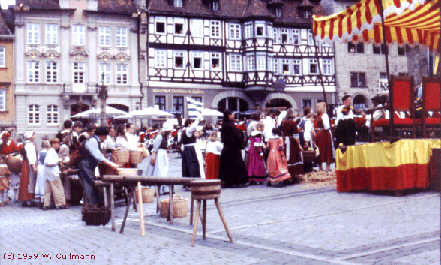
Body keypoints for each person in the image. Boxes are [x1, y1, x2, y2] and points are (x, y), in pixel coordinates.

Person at [78, 127, 118, 206]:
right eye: (106, 136)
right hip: (85, 164)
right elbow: (97, 155)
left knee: (90, 184)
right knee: (89, 184)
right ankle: (92, 206)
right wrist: (111, 164)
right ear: (103, 135)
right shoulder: (93, 141)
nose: (105, 139)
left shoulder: (95, 140)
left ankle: (92, 204)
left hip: (88, 165)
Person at [219, 110, 248, 187]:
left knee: (228, 165)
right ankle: (236, 181)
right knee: (236, 165)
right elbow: (236, 135)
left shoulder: (225, 124)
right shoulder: (229, 125)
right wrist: (241, 143)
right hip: (233, 148)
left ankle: (228, 181)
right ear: (228, 115)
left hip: (228, 148)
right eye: (232, 114)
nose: (233, 116)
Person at [145, 122, 173, 194]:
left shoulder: (165, 136)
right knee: (159, 170)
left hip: (163, 153)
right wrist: (153, 157)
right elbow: (155, 147)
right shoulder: (160, 136)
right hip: (160, 154)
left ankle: (164, 187)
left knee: (164, 170)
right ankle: (157, 189)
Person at [43, 138, 67, 210]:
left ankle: (46, 204)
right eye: (57, 144)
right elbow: (48, 163)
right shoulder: (51, 152)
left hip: (48, 173)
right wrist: (58, 161)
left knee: (47, 190)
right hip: (53, 173)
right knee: (58, 188)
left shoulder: (50, 151)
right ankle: (60, 204)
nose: (58, 145)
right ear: (53, 144)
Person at [20, 131, 37, 207]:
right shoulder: (30, 145)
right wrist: (33, 166)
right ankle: (28, 199)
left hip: (26, 164)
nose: (34, 136)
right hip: (29, 165)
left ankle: (25, 199)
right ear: (30, 137)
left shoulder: (26, 144)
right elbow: (31, 156)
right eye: (33, 135)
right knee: (29, 181)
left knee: (25, 181)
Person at [315, 102, 333, 171]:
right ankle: (328, 167)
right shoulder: (325, 115)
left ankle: (320, 166)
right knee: (327, 149)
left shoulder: (318, 115)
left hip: (318, 133)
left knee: (320, 149)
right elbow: (326, 126)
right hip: (325, 133)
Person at [35, 139, 49, 208]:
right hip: (44, 168)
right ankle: (43, 200)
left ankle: (41, 198)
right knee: (44, 183)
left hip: (40, 168)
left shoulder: (40, 152)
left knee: (39, 183)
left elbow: (37, 160)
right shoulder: (47, 152)